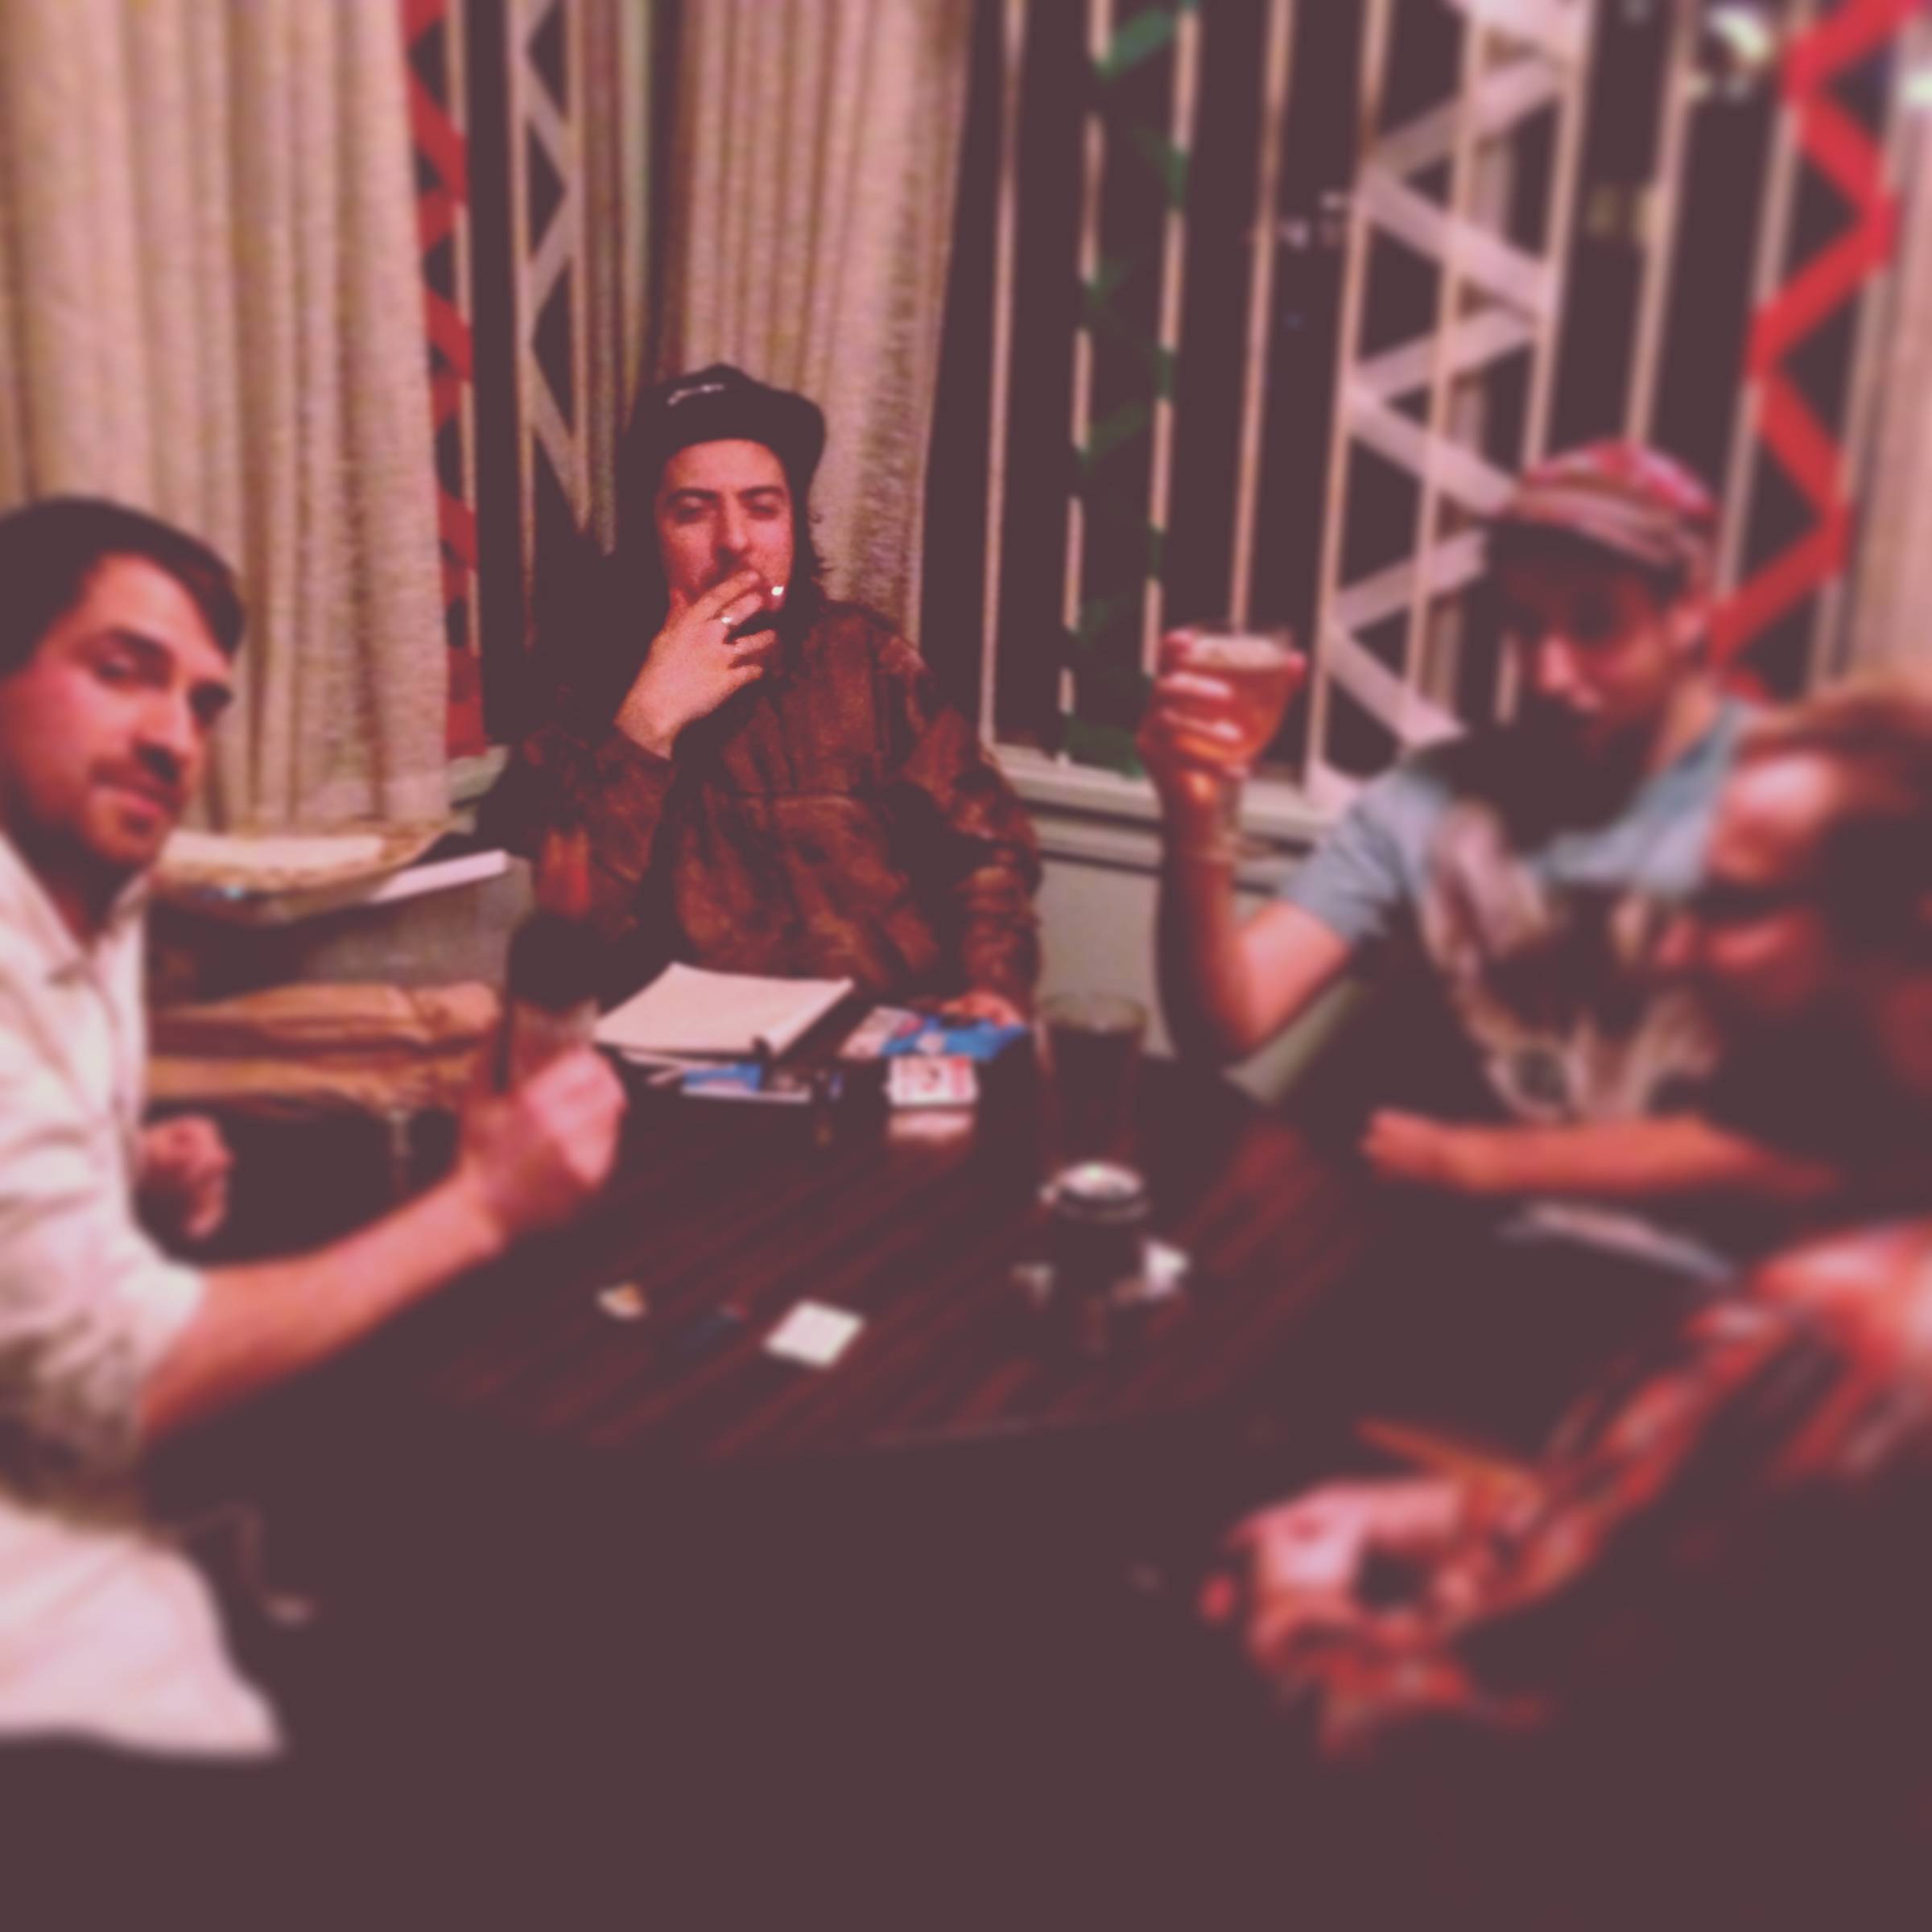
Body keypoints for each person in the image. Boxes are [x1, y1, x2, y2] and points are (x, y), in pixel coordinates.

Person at [1209, 673, 1932, 1928]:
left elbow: (1458, 1763)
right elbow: (1706, 1571)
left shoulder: (1838, 1332)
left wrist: (1291, 1599)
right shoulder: (1864, 1225)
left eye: (1730, 908)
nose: (1675, 953)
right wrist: (1471, 1515)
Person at [0, 498, 626, 1907]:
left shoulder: (82, 895)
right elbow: (111, 1383)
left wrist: (121, 1180)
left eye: (199, 701)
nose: (173, 735)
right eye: (121, 670)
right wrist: (483, 1206)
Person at [1141, 442, 1831, 1226]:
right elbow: (1224, 1028)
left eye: (1596, 625)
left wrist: (1476, 1163)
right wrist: (1196, 817)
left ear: (1688, 610)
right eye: (1526, 629)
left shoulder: (1805, 800)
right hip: (1458, 1258)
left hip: (1707, 1270)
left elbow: (1824, 1150)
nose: (1549, 674)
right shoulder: (1431, 799)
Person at [485, 362, 1042, 1022]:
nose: (735, 541)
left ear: (795, 527)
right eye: (693, 512)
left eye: (762, 507)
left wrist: (991, 983)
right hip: (686, 1053)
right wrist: (646, 726)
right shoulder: (581, 682)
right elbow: (558, 936)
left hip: (883, 1030)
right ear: (650, 533)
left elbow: (987, 852)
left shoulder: (867, 662)